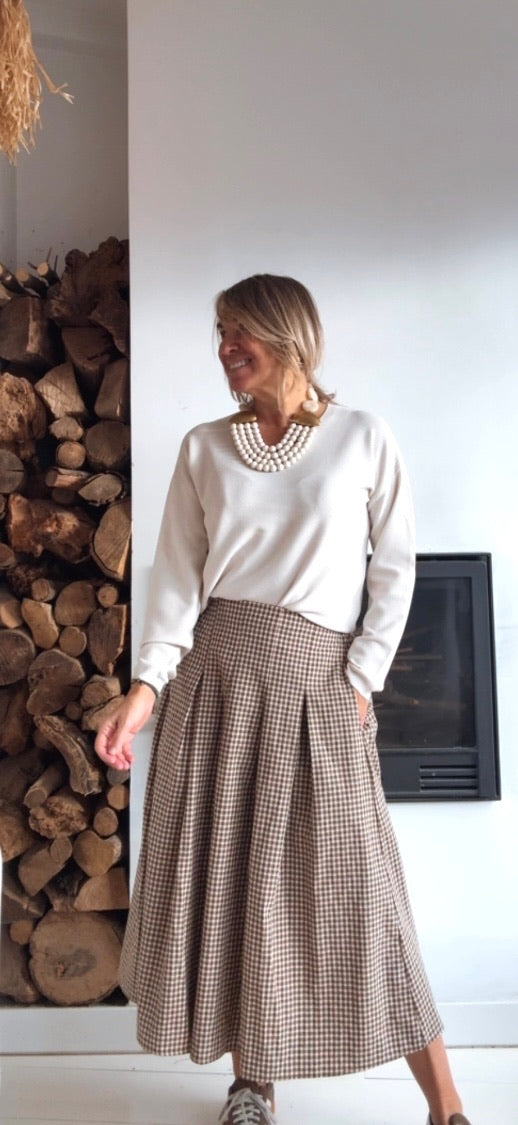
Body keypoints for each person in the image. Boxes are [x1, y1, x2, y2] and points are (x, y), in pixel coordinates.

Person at [95, 274, 472, 1125]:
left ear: (290, 333)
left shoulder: (363, 436)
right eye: (220, 332)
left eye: (241, 331)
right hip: (216, 682)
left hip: (318, 683)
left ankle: (445, 1102)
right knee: (234, 885)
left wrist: (361, 678)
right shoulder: (204, 447)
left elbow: (396, 568)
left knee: (367, 890)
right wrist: (145, 689)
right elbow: (178, 584)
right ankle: (252, 1083)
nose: (226, 347)